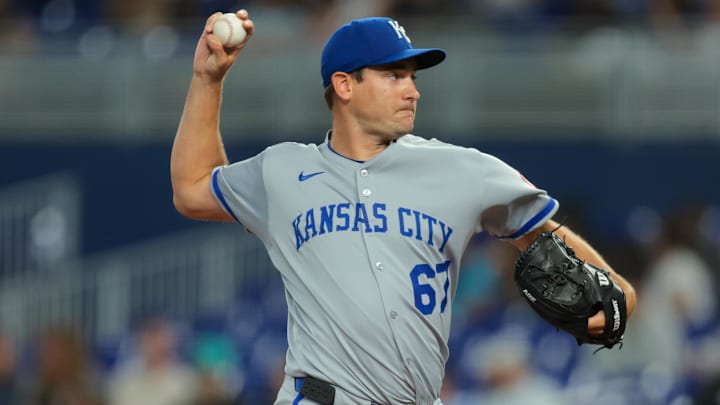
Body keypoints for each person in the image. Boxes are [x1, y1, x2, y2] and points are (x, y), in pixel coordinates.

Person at [170, 11, 637, 405]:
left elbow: (543, 233)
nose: (412, 90)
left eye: (412, 77)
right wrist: (208, 80)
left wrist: (619, 291)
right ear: (344, 85)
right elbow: (192, 190)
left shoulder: (462, 170)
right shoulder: (283, 171)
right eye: (393, 75)